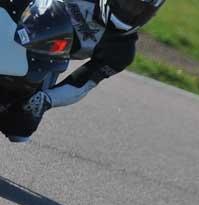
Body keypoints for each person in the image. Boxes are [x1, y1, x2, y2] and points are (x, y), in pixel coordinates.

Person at [2, 0, 166, 143]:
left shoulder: (121, 50)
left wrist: (46, 100)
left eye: (140, 10)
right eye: (127, 3)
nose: (131, 12)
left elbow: (82, 83)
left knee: (19, 128)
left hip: (48, 62)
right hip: (21, 22)